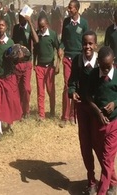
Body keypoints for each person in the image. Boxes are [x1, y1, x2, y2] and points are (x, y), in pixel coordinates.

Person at [68, 31, 98, 195]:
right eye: (85, 43)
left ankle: (110, 180)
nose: (87, 46)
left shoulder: (101, 61)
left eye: (90, 44)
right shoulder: (77, 60)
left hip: (98, 111)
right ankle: (91, 181)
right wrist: (72, 91)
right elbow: (72, 81)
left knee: (101, 147)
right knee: (85, 145)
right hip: (83, 109)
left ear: (95, 45)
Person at [87, 46, 117, 195]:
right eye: (102, 66)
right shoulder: (93, 75)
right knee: (101, 154)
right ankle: (113, 182)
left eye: (108, 66)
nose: (105, 70)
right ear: (97, 62)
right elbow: (87, 96)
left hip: (114, 123)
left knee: (107, 158)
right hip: (97, 123)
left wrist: (115, 103)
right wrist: (97, 111)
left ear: (114, 62)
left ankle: (102, 191)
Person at [58, 0, 89, 128]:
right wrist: (60, 47)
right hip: (67, 58)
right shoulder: (66, 22)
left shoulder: (84, 23)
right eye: (68, 8)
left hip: (79, 60)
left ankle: (73, 115)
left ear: (76, 9)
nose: (68, 9)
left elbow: (87, 42)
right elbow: (63, 40)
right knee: (67, 86)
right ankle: (65, 116)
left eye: (70, 8)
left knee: (76, 86)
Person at [12, 13, 39, 119]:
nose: (20, 20)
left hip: (27, 63)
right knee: (18, 88)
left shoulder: (29, 28)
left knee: (26, 88)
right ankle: (18, 111)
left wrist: (30, 23)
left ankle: (26, 111)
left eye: (22, 18)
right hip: (17, 63)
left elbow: (36, 40)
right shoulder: (16, 28)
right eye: (19, 18)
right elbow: (13, 42)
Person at [33, 16, 60, 120]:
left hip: (50, 68)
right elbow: (35, 51)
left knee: (51, 91)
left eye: (43, 27)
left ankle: (52, 111)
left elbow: (59, 50)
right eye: (40, 27)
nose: (41, 29)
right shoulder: (37, 34)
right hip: (39, 67)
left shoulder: (52, 34)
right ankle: (41, 114)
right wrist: (34, 64)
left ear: (47, 25)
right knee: (40, 91)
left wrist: (57, 65)